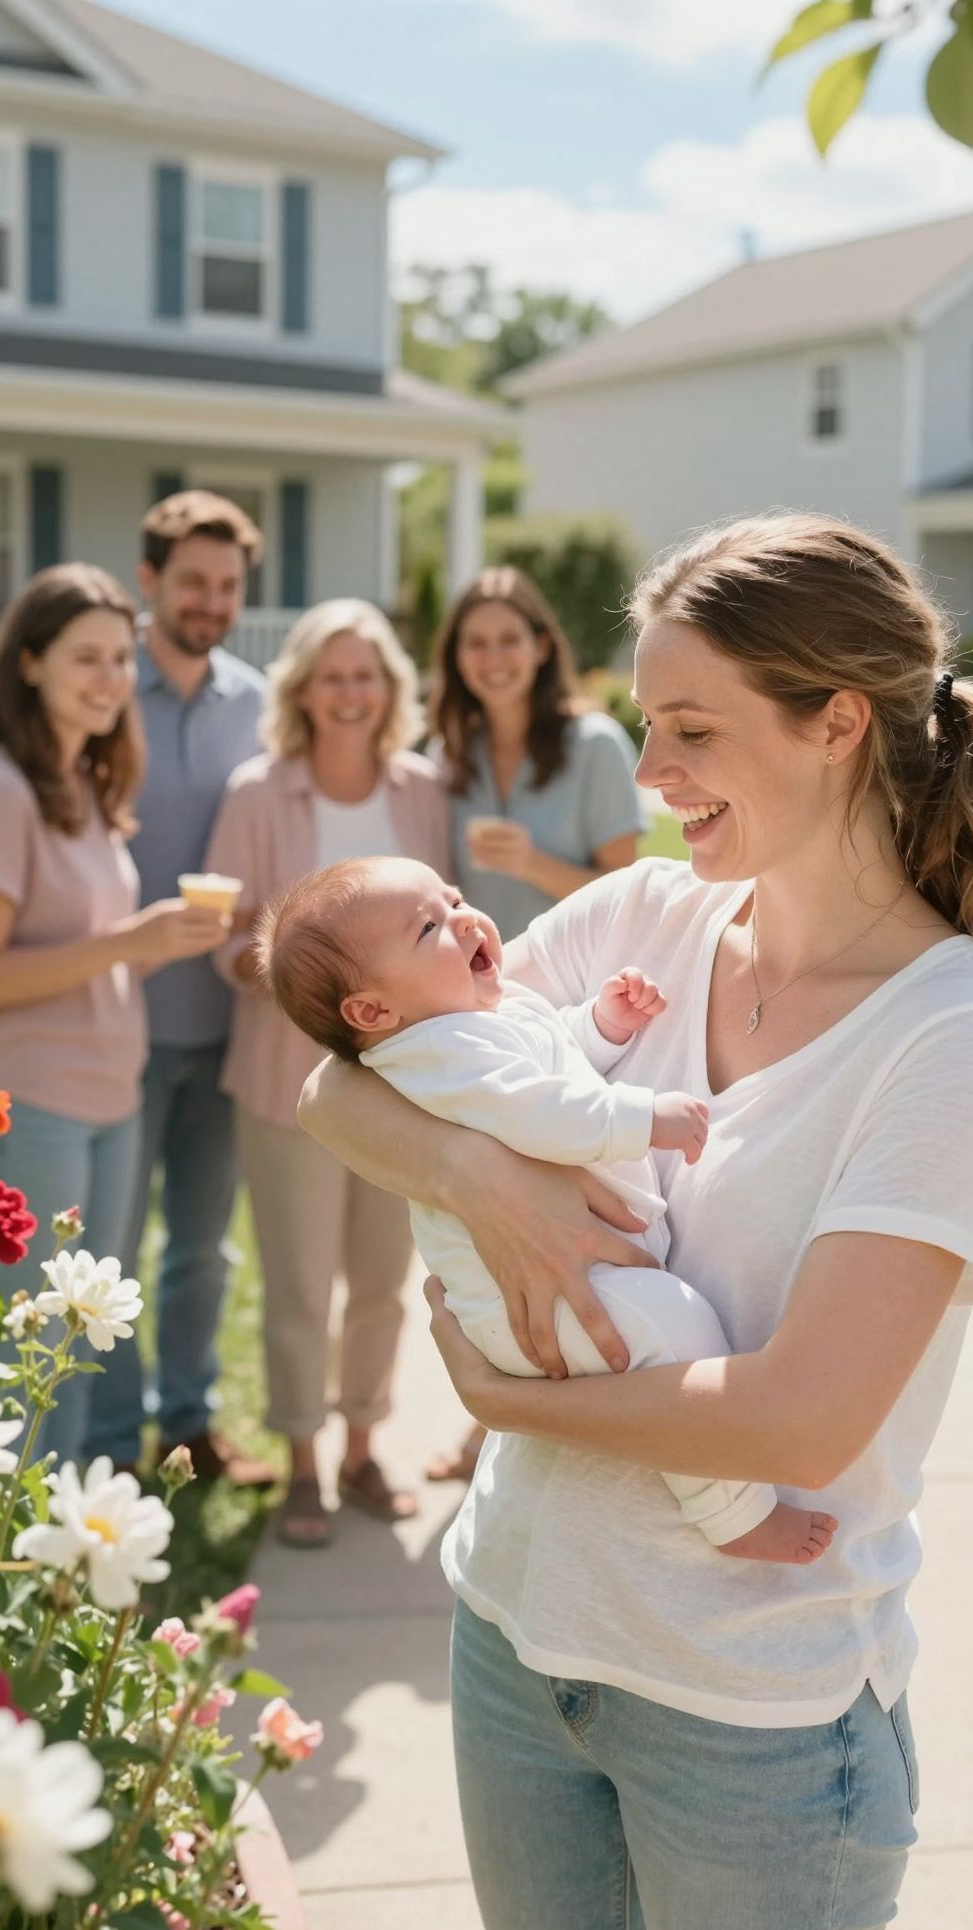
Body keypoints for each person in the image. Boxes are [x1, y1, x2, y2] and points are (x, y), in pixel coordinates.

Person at [298, 513, 973, 1930]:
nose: (652, 774)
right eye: (649, 725)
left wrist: (511, 1397)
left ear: (838, 723)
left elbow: (799, 1423)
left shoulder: (953, 1034)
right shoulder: (646, 919)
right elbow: (340, 1080)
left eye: (694, 730)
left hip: (752, 1720)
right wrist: (473, 1177)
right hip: (516, 1641)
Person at [259, 853, 838, 1565]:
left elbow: (553, 1057)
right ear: (374, 1012)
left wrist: (602, 1024)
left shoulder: (480, 1014)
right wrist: (644, 1116)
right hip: (533, 1301)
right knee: (677, 1325)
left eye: (455, 897)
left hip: (584, 1275)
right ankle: (734, 1513)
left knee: (672, 1325)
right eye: (430, 927)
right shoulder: (434, 1050)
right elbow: (538, 1110)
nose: (466, 918)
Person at [0, 564, 228, 1464]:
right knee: (17, 1353)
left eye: (119, 659)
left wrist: (147, 943)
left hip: (104, 1100)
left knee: (63, 1347)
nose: (109, 679)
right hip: (23, 1106)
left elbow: (89, 947)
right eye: (84, 659)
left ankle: (37, 1557)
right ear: (28, 664)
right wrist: (129, 942)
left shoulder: (81, 783)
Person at [205, 600, 451, 1548]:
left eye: (367, 675)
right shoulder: (257, 793)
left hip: (404, 1083)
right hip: (284, 1081)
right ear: (302, 688)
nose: (350, 693)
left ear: (389, 688)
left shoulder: (422, 789)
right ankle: (301, 1460)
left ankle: (361, 1447)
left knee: (385, 1279)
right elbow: (229, 938)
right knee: (301, 1281)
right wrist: (295, 976)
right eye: (332, 675)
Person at [428, 564, 644, 1483]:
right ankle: (499, 1412)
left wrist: (537, 861)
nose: (494, 657)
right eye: (475, 642)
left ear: (543, 645)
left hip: (576, 1005)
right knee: (482, 1218)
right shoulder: (447, 755)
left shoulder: (593, 743)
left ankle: (555, 1401)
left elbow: (627, 887)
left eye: (509, 639)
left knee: (570, 1204)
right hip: (476, 1014)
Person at [88, 491, 273, 1485]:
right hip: (117, 1021)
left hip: (229, 1024)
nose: (211, 600)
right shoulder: (104, 695)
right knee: (112, 1250)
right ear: (149, 581)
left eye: (227, 584)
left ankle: (189, 1422)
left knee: (203, 1246)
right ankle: (112, 1440)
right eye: (192, 581)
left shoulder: (256, 701)